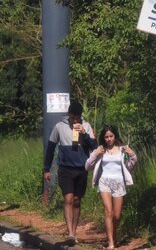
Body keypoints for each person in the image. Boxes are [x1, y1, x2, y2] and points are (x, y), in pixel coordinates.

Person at [43, 101, 97, 245]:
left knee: (77, 200)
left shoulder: (86, 126)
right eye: (72, 118)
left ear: (80, 116)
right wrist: (47, 169)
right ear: (69, 115)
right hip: (65, 169)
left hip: (81, 169)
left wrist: (84, 135)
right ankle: (71, 234)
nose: (74, 121)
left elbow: (95, 147)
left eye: (77, 118)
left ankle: (74, 230)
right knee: (68, 199)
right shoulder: (59, 126)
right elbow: (50, 147)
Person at [85, 125, 137, 250]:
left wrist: (132, 155)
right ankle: (111, 243)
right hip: (105, 182)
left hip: (119, 182)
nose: (108, 139)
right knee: (108, 211)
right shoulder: (101, 150)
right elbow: (87, 166)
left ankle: (114, 235)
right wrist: (95, 154)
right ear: (103, 138)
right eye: (106, 137)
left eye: (111, 136)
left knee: (117, 215)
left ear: (115, 136)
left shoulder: (122, 150)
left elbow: (130, 165)